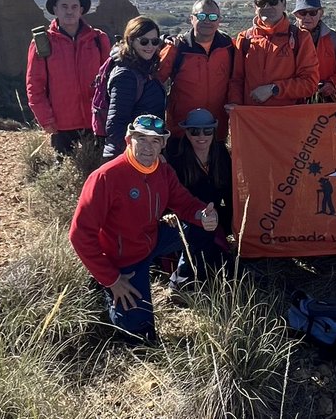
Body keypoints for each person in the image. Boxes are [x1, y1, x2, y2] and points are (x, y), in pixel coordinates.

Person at [69, 115, 219, 342]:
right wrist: (112, 279)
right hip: (123, 259)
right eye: (142, 139)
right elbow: (80, 235)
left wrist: (203, 215)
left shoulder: (163, 171)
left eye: (155, 141)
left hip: (152, 239)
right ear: (129, 140)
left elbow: (184, 203)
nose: (148, 147)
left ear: (163, 144)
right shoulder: (105, 177)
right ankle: (105, 287)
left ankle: (182, 281)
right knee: (140, 337)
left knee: (197, 228)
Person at [26, 0, 111, 155]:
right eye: (64, 6)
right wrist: (46, 119)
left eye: (74, 7)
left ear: (81, 10)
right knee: (64, 172)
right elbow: (34, 85)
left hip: (96, 120)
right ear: (55, 10)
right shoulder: (43, 42)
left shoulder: (98, 39)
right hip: (61, 124)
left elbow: (109, 79)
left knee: (99, 172)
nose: (69, 11)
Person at [157, 0, 235, 146]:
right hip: (181, 130)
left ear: (219, 20)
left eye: (212, 17)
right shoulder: (177, 47)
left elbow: (236, 80)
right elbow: (156, 80)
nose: (207, 21)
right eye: (201, 16)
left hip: (215, 130)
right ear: (191, 19)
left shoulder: (228, 47)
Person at [227, 0, 320, 107]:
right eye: (261, 3)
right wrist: (235, 104)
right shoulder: (245, 38)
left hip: (287, 120)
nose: (267, 6)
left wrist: (274, 89)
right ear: (255, 8)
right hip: (252, 120)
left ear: (284, 4)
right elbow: (237, 80)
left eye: (273, 1)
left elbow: (310, 84)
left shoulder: (300, 38)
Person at [102, 17, 167, 158]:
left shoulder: (145, 68)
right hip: (129, 156)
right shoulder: (126, 75)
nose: (150, 46)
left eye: (155, 41)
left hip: (144, 153)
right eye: (144, 41)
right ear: (131, 41)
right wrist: (137, 155)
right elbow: (116, 125)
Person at [166, 108, 234, 238]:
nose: (201, 136)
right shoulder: (176, 159)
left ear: (214, 133)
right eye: (195, 131)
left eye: (207, 131)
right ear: (186, 133)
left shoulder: (221, 154)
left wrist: (234, 221)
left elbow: (230, 192)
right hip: (188, 217)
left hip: (215, 216)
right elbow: (173, 196)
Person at [293, 0, 336, 102]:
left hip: (327, 100)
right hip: (296, 100)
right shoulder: (287, 39)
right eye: (302, 13)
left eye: (313, 12)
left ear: (321, 13)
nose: (307, 17)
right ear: (296, 15)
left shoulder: (333, 38)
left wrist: (332, 84)